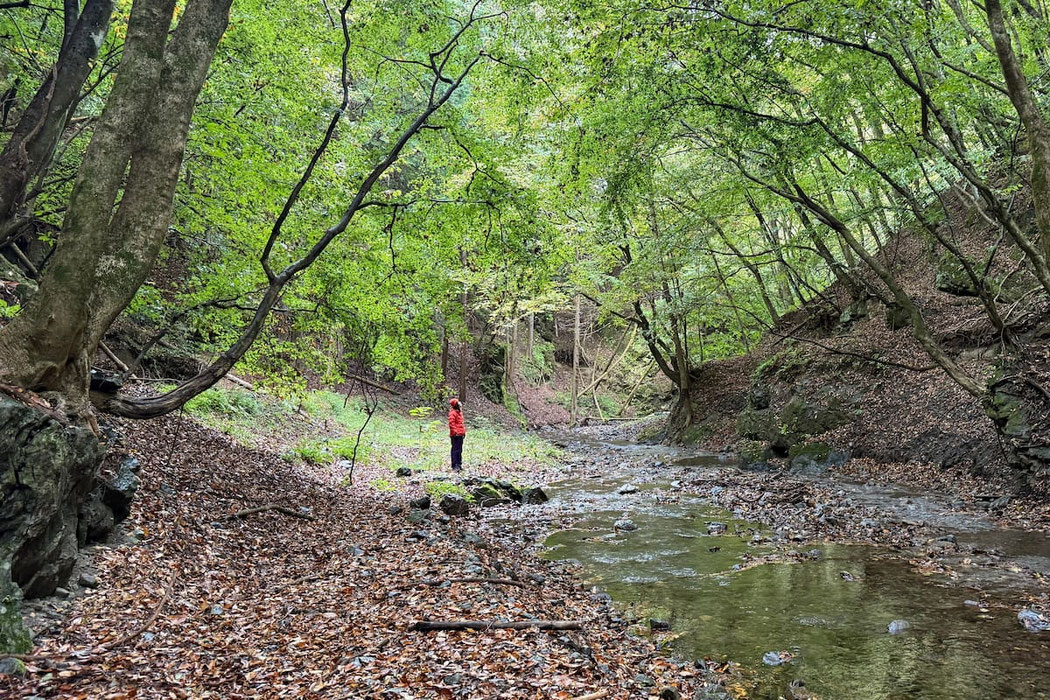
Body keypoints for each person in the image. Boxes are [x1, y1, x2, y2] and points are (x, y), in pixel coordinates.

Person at [448, 398, 466, 472]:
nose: (460, 404)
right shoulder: (452, 413)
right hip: (455, 435)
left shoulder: (459, 413)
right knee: (455, 450)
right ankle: (454, 465)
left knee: (459, 450)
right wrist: (455, 432)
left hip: (460, 434)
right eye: (458, 403)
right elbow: (451, 424)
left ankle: (459, 464)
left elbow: (461, 424)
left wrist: (463, 432)